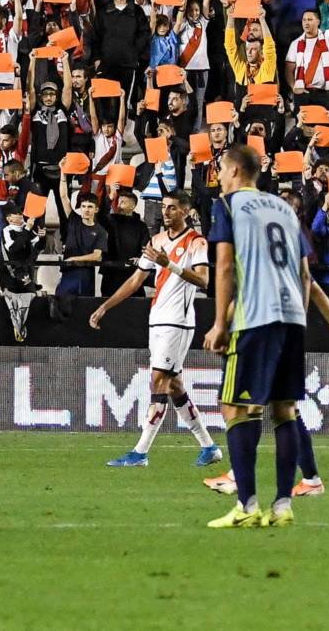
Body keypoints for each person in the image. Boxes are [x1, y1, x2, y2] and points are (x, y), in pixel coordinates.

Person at [201, 145, 329, 528]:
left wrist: (220, 322)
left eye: (221, 169)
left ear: (235, 170)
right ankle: (283, 504)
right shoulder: (285, 210)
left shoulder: (227, 205)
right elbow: (306, 277)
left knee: (237, 408)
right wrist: (314, 324)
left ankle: (247, 505)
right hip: (292, 319)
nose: (219, 176)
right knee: (285, 410)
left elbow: (223, 266)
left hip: (255, 317)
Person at [87, 191, 221, 468]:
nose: (167, 212)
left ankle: (141, 452)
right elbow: (136, 281)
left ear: (186, 211)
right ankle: (209, 447)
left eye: (173, 208)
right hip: (157, 318)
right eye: (164, 207)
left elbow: (204, 281)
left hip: (178, 321)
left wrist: (168, 264)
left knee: (158, 381)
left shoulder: (196, 242)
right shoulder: (157, 241)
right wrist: (105, 307)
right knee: (173, 385)